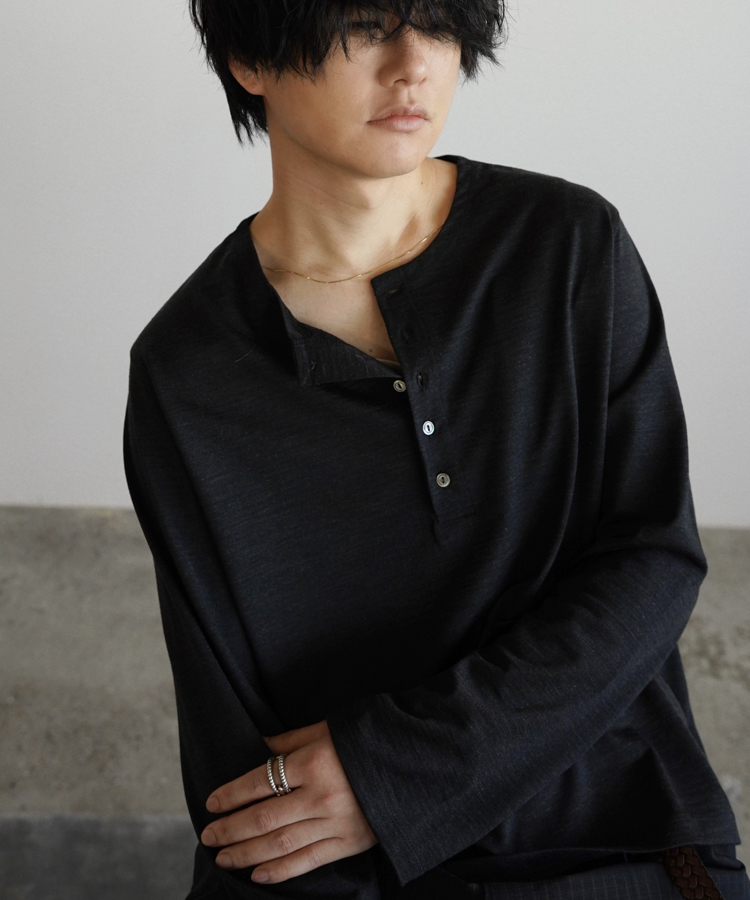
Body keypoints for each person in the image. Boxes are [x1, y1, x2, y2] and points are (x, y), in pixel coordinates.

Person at [123, 1, 749, 898]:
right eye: (366, 22)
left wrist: (398, 775)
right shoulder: (188, 374)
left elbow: (653, 560)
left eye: (440, 23)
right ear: (250, 59)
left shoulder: (568, 246)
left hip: (622, 845)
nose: (414, 64)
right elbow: (247, 786)